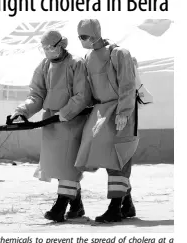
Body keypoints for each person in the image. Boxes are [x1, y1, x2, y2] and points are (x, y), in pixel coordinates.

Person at [10, 30, 92, 222]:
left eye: (51, 47)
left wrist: (64, 113)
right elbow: (36, 95)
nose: (47, 51)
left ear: (61, 45)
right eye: (44, 48)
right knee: (58, 166)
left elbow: (82, 95)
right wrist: (22, 111)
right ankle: (77, 206)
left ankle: (59, 207)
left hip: (73, 121)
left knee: (69, 165)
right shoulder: (44, 66)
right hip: (51, 124)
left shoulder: (76, 64)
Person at [76, 19, 138, 223]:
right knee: (104, 154)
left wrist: (125, 111)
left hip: (121, 109)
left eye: (84, 36)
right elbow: (88, 90)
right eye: (79, 37)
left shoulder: (119, 53)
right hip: (101, 111)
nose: (82, 41)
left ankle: (115, 208)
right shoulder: (87, 58)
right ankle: (126, 203)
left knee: (119, 156)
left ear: (95, 34)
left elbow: (128, 85)